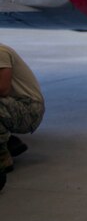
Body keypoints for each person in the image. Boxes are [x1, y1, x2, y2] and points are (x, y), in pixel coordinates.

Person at [0, 42, 46, 190]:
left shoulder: (1, 52)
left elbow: (3, 89)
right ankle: (9, 141)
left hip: (28, 109)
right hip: (13, 107)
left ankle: (2, 156)